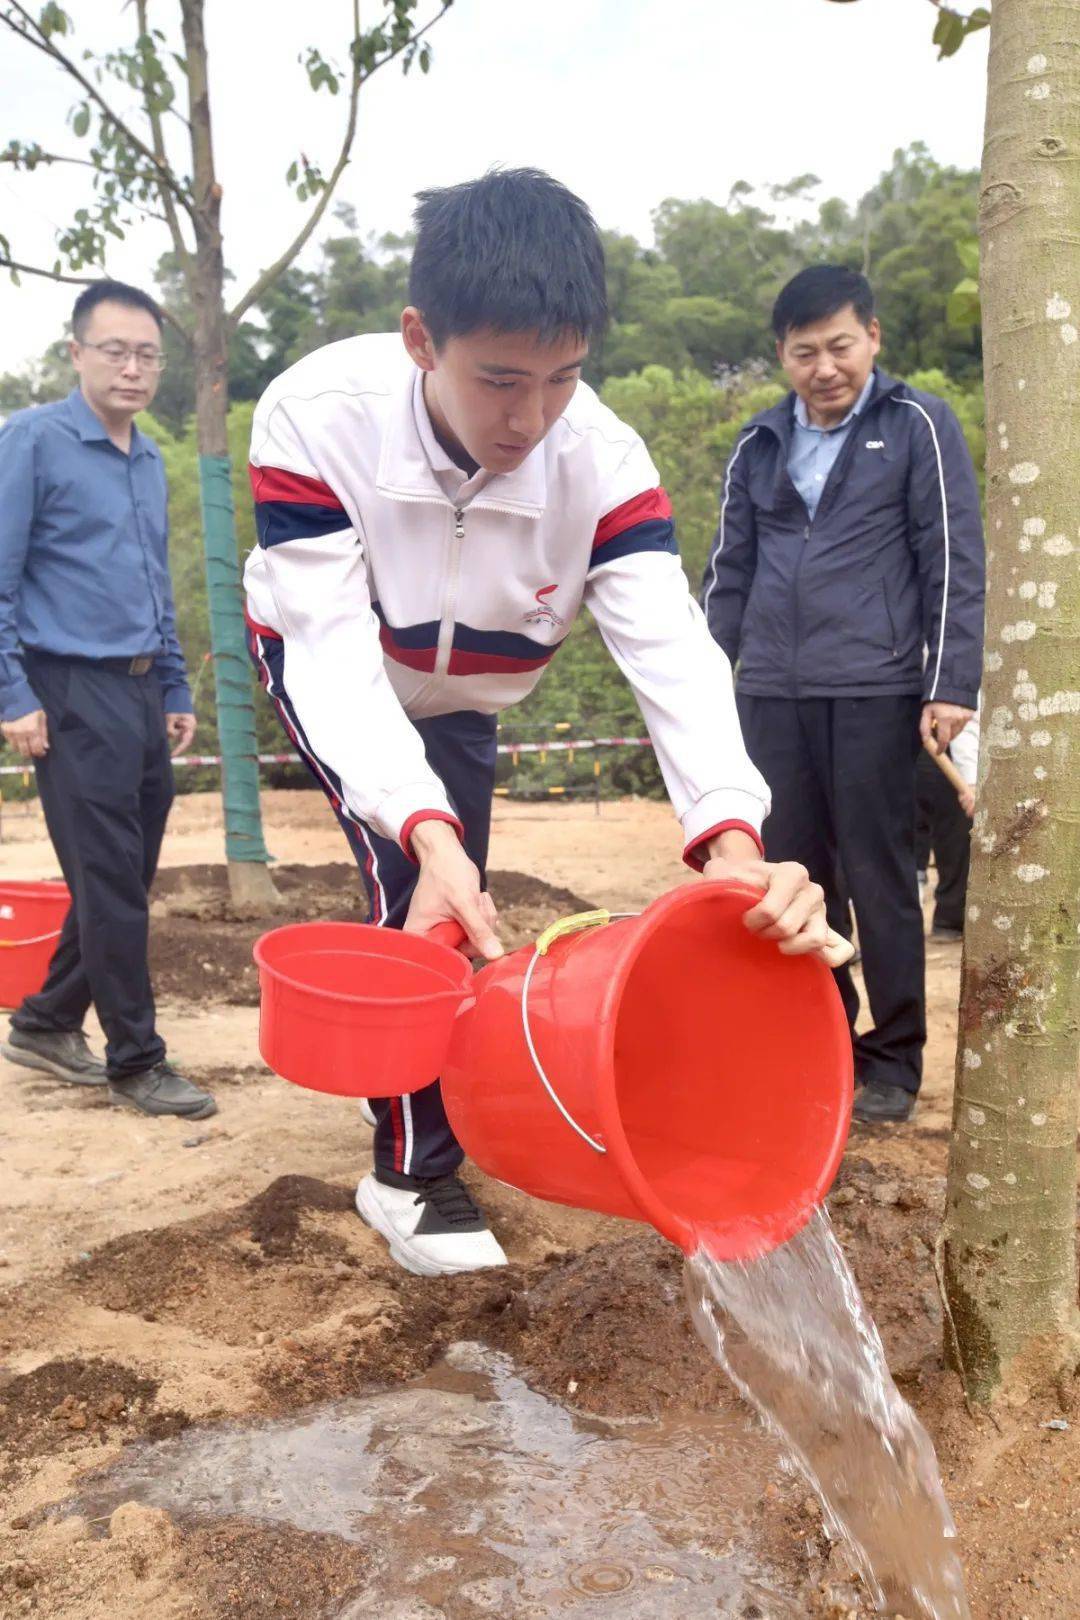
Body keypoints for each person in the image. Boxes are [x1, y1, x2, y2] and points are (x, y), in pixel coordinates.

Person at [245, 168, 843, 1277]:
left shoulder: (601, 462)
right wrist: (423, 830)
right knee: (415, 878)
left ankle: (439, 1105)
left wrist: (735, 847)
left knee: (456, 885)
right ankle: (411, 1175)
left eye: (562, 378)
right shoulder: (315, 419)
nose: (529, 419)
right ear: (422, 338)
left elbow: (673, 655)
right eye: (501, 380)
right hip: (335, 660)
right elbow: (330, 654)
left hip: (471, 692)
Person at [701, 265, 984, 1126]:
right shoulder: (758, 444)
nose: (824, 367)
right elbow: (728, 574)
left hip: (876, 686)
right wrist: (709, 692)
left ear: (873, 339)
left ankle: (893, 1061)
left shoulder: (917, 424)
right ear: (781, 357)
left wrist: (950, 682)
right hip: (772, 697)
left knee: (881, 874)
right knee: (792, 880)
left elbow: (952, 559)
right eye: (802, 352)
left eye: (839, 346)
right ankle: (823, 1041)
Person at [0, 279, 215, 1121]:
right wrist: (13, 694)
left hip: (137, 691)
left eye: (148, 354)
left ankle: (49, 1020)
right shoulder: (32, 441)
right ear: (77, 353)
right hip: (66, 690)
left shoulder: (150, 456)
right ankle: (137, 1061)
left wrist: (173, 679)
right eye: (115, 350)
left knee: (123, 877)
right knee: (113, 885)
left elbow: (154, 584)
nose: (132, 368)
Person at [916, 710, 978, 941]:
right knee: (954, 833)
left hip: (949, 744)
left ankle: (950, 917)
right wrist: (970, 784)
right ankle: (950, 918)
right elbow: (968, 726)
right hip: (944, 743)